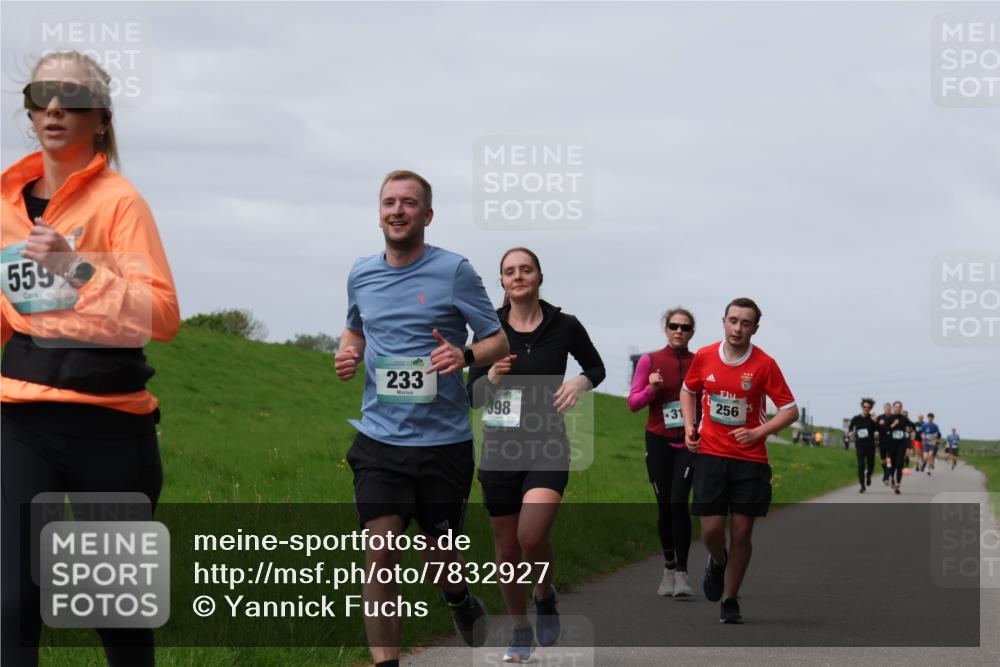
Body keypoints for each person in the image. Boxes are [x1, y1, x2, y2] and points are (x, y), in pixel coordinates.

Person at [1, 51, 180, 666]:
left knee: (113, 609)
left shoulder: (121, 203)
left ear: (100, 119)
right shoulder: (6, 204)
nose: (55, 107)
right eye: (42, 95)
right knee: (13, 600)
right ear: (30, 112)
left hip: (111, 427)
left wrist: (75, 268)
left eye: (72, 97)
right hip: (22, 421)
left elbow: (162, 316)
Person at [335, 170, 510, 667]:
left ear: (427, 215)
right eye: (389, 202)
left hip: (442, 444)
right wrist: (349, 353)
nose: (397, 210)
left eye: (408, 203)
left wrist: (465, 354)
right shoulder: (361, 273)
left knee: (439, 564)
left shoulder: (454, 271)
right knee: (381, 553)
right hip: (380, 440)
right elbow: (355, 330)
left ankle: (458, 596)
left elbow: (497, 340)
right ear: (379, 214)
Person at [467, 247, 605, 663]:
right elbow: (473, 396)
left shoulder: (565, 326)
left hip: (547, 446)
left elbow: (595, 367)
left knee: (531, 536)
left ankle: (544, 594)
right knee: (507, 550)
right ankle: (520, 629)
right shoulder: (488, 330)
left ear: (539, 276)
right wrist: (490, 376)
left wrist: (579, 382)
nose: (518, 276)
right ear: (502, 281)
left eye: (525, 269)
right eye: (509, 271)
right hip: (499, 450)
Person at [680, 298, 799, 624]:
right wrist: (690, 425)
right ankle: (718, 561)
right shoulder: (705, 356)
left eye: (745, 323)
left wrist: (759, 432)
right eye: (733, 321)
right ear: (723, 321)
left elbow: (790, 410)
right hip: (711, 454)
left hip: (750, 460)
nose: (737, 328)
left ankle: (730, 599)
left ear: (754, 329)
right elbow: (688, 390)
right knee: (711, 529)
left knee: (742, 532)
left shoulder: (764, 364)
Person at [628, 307, 697, 599]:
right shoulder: (650, 361)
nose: (679, 331)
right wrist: (651, 389)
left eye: (685, 327)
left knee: (679, 502)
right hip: (658, 440)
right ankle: (668, 567)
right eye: (674, 326)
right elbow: (633, 403)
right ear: (666, 329)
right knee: (665, 506)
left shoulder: (699, 362)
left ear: (692, 332)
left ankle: (682, 573)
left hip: (690, 442)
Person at [847, 398, 879, 493]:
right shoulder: (856, 418)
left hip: (870, 445)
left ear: (870, 408)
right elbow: (851, 426)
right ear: (862, 407)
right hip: (860, 445)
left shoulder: (872, 418)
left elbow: (877, 429)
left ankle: (868, 475)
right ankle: (862, 485)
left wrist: (875, 421)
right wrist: (850, 432)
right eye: (864, 407)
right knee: (861, 465)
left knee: (871, 465)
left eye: (868, 407)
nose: (866, 408)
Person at [886, 402, 913, 495]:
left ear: (901, 408)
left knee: (899, 464)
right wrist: (893, 424)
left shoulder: (904, 419)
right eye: (896, 407)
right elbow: (886, 429)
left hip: (901, 445)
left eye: (899, 407)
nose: (897, 408)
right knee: (892, 465)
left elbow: (911, 428)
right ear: (893, 408)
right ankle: (892, 478)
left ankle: (898, 485)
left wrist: (909, 430)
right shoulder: (890, 418)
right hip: (892, 445)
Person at [876, 402, 893, 485]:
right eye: (886, 408)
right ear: (884, 409)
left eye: (889, 408)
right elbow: (876, 428)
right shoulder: (880, 417)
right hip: (882, 441)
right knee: (883, 460)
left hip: (891, 442)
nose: (888, 409)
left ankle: (886, 477)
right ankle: (885, 472)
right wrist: (879, 424)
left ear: (891, 409)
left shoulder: (893, 418)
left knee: (889, 459)